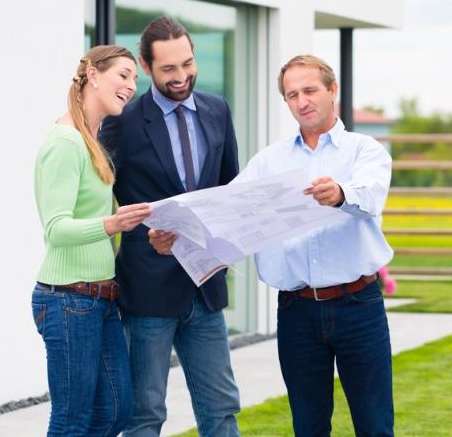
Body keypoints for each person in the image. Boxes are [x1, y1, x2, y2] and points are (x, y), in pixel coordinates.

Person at [151, 54, 396, 437]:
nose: (302, 101)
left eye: (310, 90)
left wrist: (340, 192)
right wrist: (176, 236)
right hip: (296, 312)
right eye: (292, 94)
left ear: (332, 91)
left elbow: (371, 193)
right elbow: (225, 213)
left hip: (358, 307)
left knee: (375, 425)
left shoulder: (364, 151)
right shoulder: (268, 162)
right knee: (308, 426)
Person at [99, 17, 241, 437]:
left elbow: (227, 190)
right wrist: (145, 233)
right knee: (145, 414)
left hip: (205, 284)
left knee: (221, 408)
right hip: (147, 292)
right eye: (168, 69)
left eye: (187, 64)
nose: (181, 77)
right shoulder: (121, 122)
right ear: (146, 66)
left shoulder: (217, 110)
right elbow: (97, 200)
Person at [32, 45, 151, 436]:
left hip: (100, 299)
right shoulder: (65, 142)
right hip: (68, 299)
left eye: (135, 78)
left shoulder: (92, 141)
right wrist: (112, 224)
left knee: (115, 412)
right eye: (123, 75)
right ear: (94, 75)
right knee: (72, 420)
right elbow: (57, 229)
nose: (131, 85)